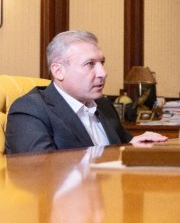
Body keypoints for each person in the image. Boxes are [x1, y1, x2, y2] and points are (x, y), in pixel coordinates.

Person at [5, 30, 167, 154]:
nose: (103, 73)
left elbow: (123, 146)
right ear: (58, 71)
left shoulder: (104, 105)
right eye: (90, 64)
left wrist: (135, 144)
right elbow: (40, 170)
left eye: (102, 63)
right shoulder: (30, 109)